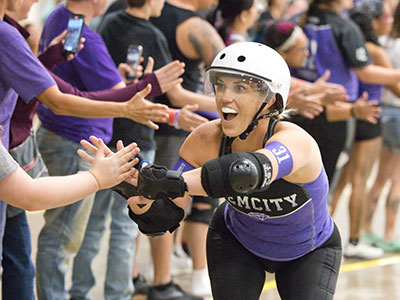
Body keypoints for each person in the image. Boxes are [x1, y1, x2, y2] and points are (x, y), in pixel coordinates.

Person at [103, 42, 343, 300]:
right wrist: (141, 197)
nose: (225, 97)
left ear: (270, 101)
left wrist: (166, 181)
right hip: (238, 242)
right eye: (220, 85)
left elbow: (246, 173)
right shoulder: (204, 139)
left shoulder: (295, 141)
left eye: (240, 88)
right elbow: (165, 217)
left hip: (309, 250)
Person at [69, 0, 211, 298]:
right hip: (134, 140)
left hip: (105, 137)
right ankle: (118, 293)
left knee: (94, 224)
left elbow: (112, 83)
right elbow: (172, 92)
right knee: (123, 225)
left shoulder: (107, 24)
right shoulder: (152, 35)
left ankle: (80, 291)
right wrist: (183, 113)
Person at [360, 1, 400, 252]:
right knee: (397, 179)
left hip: (381, 112)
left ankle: (365, 229)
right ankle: (389, 231)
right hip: (398, 111)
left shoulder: (385, 43)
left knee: (378, 176)